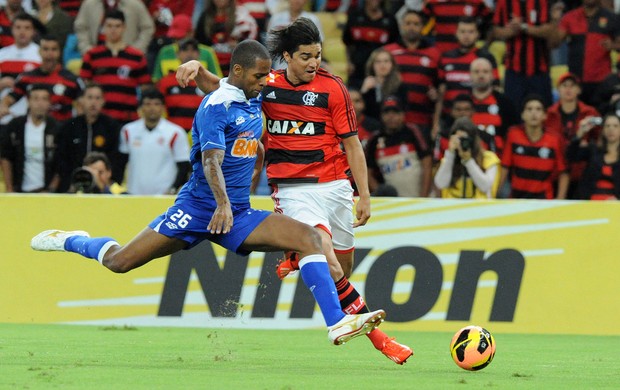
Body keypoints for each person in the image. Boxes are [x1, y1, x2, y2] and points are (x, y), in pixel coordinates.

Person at [30, 40, 386, 346]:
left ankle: (336, 322)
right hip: (200, 208)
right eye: (259, 77)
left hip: (236, 213)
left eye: (266, 76)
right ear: (239, 71)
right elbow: (210, 161)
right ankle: (74, 240)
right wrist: (222, 204)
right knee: (120, 262)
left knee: (309, 238)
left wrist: (200, 69)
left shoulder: (251, 97)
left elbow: (240, 116)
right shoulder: (216, 106)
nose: (265, 83)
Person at [177, 18, 413, 364]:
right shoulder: (265, 85)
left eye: (317, 55)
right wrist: (197, 67)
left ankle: (296, 257)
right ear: (286, 56)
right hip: (292, 190)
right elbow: (220, 88)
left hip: (334, 186)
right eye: (305, 56)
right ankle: (381, 339)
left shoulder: (333, 88)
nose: (313, 63)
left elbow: (352, 145)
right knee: (327, 260)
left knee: (340, 273)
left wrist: (363, 194)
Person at [79, 9, 152, 124]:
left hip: (128, 118)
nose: (113, 30)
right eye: (109, 26)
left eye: (117, 26)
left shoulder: (137, 56)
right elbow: (84, 86)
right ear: (103, 28)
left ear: (124, 28)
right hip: (99, 119)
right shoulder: (92, 55)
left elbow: (145, 89)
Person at [433, 17, 499, 138]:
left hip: (477, 118)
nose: (466, 36)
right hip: (448, 118)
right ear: (456, 33)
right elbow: (441, 94)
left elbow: (495, 89)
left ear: (477, 34)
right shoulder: (445, 58)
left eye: (470, 32)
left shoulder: (485, 58)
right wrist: (436, 122)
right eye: (463, 32)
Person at [118, 88, 190, 195]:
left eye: (157, 104)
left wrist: (173, 188)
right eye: (147, 104)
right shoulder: (128, 131)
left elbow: (184, 166)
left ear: (163, 107)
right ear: (141, 107)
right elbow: (121, 163)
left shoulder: (175, 133)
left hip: (164, 197)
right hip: (133, 195)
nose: (152, 108)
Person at [551, 0, 620, 106]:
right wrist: (555, 21)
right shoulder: (570, 17)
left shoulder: (612, 18)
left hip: (602, 82)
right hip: (576, 82)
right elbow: (554, 43)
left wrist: (613, 46)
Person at [500, 94, 569, 199]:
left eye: (538, 109)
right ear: (522, 115)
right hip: (516, 199)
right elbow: (504, 167)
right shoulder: (513, 135)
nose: (533, 113)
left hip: (544, 200)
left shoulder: (554, 139)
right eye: (529, 109)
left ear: (545, 115)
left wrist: (559, 200)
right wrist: (493, 196)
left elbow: (563, 173)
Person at [0, 34, 83, 123]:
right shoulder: (26, 77)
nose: (49, 53)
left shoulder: (72, 79)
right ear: (39, 51)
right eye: (45, 49)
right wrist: (3, 106)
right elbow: (10, 98)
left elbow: (82, 105)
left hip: (62, 131)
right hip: (32, 130)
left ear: (59, 52)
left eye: (54, 49)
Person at [383, 9, 441, 135]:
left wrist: (435, 95)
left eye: (416, 24)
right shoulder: (388, 52)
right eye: (408, 23)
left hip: (423, 120)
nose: (411, 27)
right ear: (401, 25)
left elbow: (440, 87)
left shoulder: (434, 54)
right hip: (391, 120)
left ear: (422, 27)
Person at [57, 83, 123, 192]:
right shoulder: (69, 127)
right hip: (73, 186)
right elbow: (62, 159)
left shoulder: (112, 127)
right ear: (81, 100)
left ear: (103, 101)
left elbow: (116, 159)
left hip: (102, 185)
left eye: (97, 98)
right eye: (89, 97)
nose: (93, 102)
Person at [544, 72, 600, 199]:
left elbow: (600, 140)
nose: (568, 89)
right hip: (555, 174)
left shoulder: (590, 113)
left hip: (582, 174)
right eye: (564, 85)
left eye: (572, 85)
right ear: (558, 90)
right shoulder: (548, 115)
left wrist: (589, 146)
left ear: (579, 90)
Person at [366, 95, 432, 197]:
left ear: (403, 114)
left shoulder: (413, 132)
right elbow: (367, 173)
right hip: (393, 205)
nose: (391, 116)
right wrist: (382, 194)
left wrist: (424, 197)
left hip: (419, 199)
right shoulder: (374, 140)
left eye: (395, 112)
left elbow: (427, 165)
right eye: (386, 112)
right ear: (381, 115)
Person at [492, 0, 555, 108]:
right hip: (513, 70)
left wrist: (523, 27)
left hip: (539, 70)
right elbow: (496, 30)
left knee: (542, 111)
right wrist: (511, 30)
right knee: (512, 112)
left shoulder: (542, 2)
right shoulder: (504, 2)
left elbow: (550, 31)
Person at [0, 84, 61, 193]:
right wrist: (9, 188)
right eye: (35, 98)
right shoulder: (15, 126)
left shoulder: (57, 128)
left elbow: (62, 162)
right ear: (28, 101)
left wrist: (51, 190)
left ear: (49, 103)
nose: (40, 103)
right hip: (19, 191)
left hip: (46, 193)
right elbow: (6, 157)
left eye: (44, 99)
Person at [434, 117, 501, 198]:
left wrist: (469, 161)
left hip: (479, 208)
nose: (462, 143)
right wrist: (450, 154)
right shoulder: (448, 159)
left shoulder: (489, 159)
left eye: (465, 139)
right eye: (459, 139)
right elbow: (440, 184)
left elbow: (485, 187)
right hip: (452, 208)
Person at [342, 0, 400, 88]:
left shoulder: (390, 19)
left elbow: (395, 46)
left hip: (381, 71)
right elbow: (348, 43)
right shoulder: (354, 17)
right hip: (357, 70)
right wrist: (349, 62)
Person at [157, 38, 210, 133]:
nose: (189, 53)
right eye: (185, 50)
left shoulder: (207, 82)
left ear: (199, 54)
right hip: (172, 134)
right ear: (177, 54)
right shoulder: (165, 82)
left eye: (193, 50)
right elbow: (159, 109)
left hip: (200, 135)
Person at [194, 0, 258, 76]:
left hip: (235, 67)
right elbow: (200, 44)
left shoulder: (241, 16)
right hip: (212, 67)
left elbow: (252, 42)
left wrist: (239, 44)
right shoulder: (205, 17)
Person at [567, 113, 620, 200]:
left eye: (615, 126)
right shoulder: (593, 150)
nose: (611, 129)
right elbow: (571, 156)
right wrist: (580, 133)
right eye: (607, 126)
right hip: (588, 205)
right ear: (602, 130)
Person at [74, 0, 154, 55]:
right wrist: (87, 49)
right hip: (95, 56)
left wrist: (137, 49)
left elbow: (147, 28)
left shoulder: (134, 4)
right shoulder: (89, 4)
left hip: (128, 57)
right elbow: (80, 27)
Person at [421, 0, 492, 54]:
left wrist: (482, 42)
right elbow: (421, 21)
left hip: (468, 53)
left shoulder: (475, 2)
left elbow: (489, 21)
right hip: (441, 53)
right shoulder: (433, 2)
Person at [359, 47, 405, 121]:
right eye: (378, 62)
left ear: (392, 64)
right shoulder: (366, 84)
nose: (382, 65)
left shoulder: (399, 85)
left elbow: (403, 109)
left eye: (386, 61)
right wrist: (364, 91)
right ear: (372, 65)